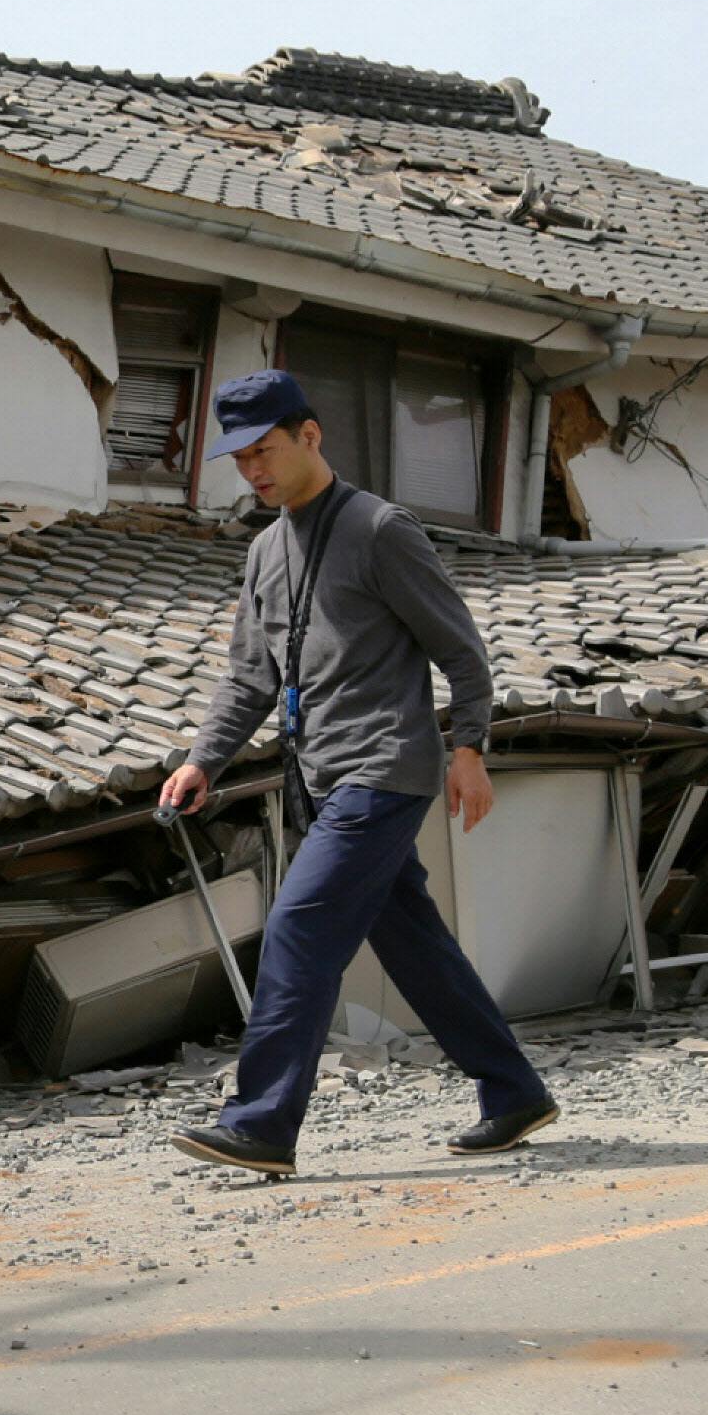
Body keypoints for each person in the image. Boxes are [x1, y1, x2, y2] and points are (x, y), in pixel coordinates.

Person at [159, 369, 557, 1177]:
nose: (255, 472)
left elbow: (462, 650)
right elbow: (250, 678)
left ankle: (263, 1123)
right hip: (318, 777)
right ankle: (514, 1091)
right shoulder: (266, 550)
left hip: (384, 768)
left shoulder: (381, 529)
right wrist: (204, 757)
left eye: (266, 451)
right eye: (240, 460)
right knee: (414, 946)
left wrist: (470, 748)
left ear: (311, 436)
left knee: (300, 925)